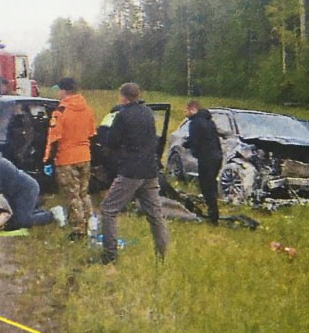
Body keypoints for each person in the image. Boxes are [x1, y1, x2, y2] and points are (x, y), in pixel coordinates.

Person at [98, 82, 169, 264]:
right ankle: (163, 255)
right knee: (155, 215)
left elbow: (112, 141)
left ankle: (110, 255)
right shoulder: (147, 112)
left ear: (123, 96)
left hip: (131, 171)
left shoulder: (122, 115)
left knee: (108, 210)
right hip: (150, 170)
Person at [43, 77, 96, 239]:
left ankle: (78, 230)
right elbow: (92, 134)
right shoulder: (87, 109)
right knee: (83, 193)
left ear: (64, 91)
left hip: (66, 159)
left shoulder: (61, 112)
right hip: (85, 157)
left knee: (72, 196)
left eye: (59, 90)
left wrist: (47, 160)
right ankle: (90, 223)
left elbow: (54, 138)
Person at [0, 146, 59, 232]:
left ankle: (52, 215)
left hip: (26, 190)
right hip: (18, 190)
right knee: (17, 217)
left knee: (22, 221)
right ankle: (41, 212)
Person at [183, 99, 223, 225]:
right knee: (211, 184)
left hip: (206, 158)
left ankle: (213, 216)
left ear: (193, 109)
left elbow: (195, 141)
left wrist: (186, 144)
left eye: (186, 110)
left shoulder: (195, 123)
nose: (185, 113)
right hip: (217, 157)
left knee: (206, 186)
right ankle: (214, 211)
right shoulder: (210, 122)